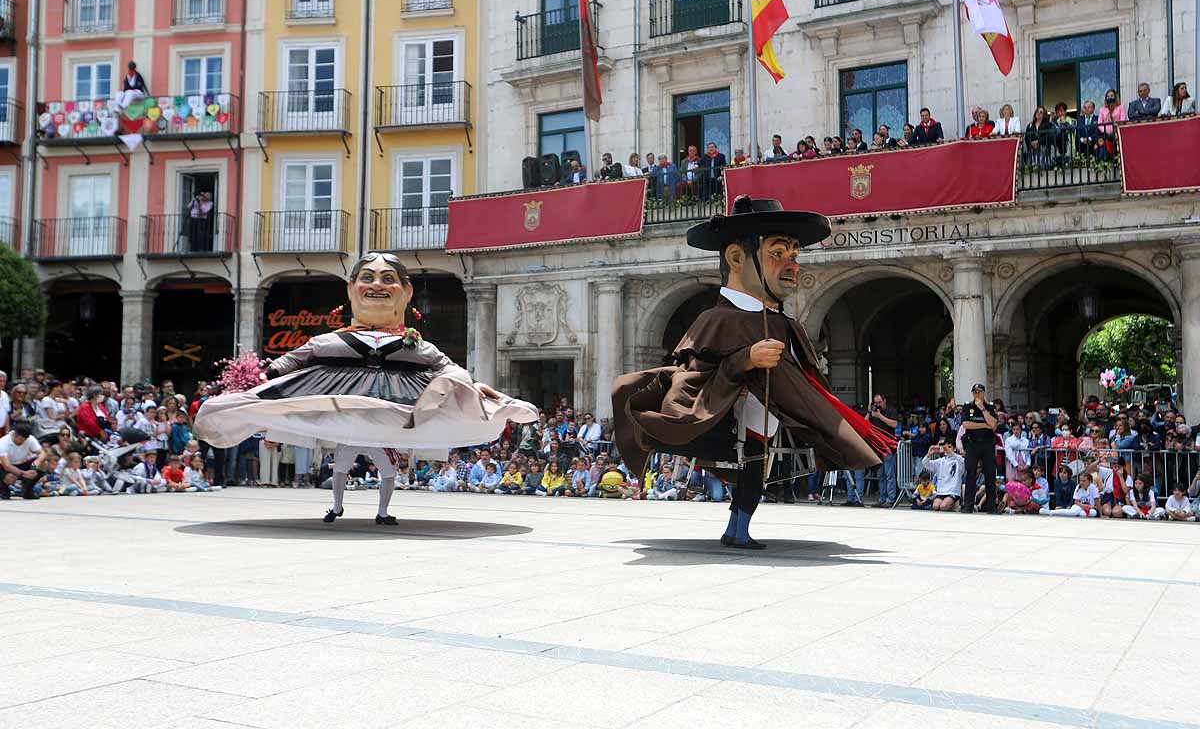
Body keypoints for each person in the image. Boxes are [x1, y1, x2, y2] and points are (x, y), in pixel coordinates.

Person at [613, 196, 893, 549]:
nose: (792, 264)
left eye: (795, 254)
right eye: (779, 253)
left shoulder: (784, 322)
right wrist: (744, 359)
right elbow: (697, 375)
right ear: (735, 258)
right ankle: (738, 529)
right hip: (727, 419)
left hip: (770, 423)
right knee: (750, 468)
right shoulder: (714, 320)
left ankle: (736, 528)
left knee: (754, 470)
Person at [194, 252, 536, 524]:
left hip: (396, 409)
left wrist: (474, 387)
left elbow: (448, 368)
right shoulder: (331, 340)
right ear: (351, 288)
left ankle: (381, 511)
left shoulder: (416, 345)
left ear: (406, 292)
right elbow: (297, 357)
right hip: (336, 399)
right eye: (368, 278)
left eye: (389, 279)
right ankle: (339, 506)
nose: (377, 285)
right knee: (341, 465)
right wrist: (266, 375)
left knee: (381, 467)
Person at [960, 383, 998, 513]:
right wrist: (984, 425)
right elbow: (966, 424)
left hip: (987, 444)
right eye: (974, 392)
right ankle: (968, 505)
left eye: (979, 392)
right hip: (973, 444)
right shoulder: (967, 407)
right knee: (970, 474)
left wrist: (982, 408)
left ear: (983, 393)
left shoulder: (989, 407)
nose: (977, 394)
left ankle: (991, 506)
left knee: (990, 474)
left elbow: (993, 424)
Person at [866, 394, 899, 507]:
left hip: (888, 447)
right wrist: (869, 412)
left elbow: (894, 424)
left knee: (889, 474)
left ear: (884, 401)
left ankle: (890, 499)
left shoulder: (891, 411)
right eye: (876, 403)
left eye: (880, 402)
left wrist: (880, 416)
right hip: (878, 447)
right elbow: (864, 423)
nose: (878, 405)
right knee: (880, 474)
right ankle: (882, 498)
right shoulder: (874, 412)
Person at [0, 421, 47, 500]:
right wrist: (24, 474)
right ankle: (3, 489)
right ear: (15, 435)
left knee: (43, 463)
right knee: (11, 477)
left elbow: (42, 453)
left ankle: (27, 489)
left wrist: (36, 463)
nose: (23, 442)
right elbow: (7, 465)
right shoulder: (3, 442)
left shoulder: (30, 439)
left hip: (22, 462)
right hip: (6, 466)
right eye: (21, 439)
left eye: (25, 439)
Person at [923, 443, 964, 512]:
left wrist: (952, 453)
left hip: (953, 492)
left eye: (950, 447)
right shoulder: (940, 461)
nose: (947, 449)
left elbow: (964, 462)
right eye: (946, 447)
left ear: (954, 449)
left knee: (943, 507)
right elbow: (926, 464)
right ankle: (950, 504)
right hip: (941, 491)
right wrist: (929, 454)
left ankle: (955, 504)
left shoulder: (958, 460)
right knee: (935, 506)